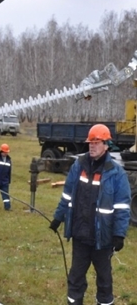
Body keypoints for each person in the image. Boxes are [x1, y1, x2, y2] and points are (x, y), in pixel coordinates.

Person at [49, 124, 131, 305]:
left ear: (106, 144)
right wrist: (58, 216)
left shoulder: (116, 174)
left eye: (97, 142)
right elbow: (67, 194)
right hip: (80, 235)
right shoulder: (78, 166)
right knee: (75, 278)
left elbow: (122, 207)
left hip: (103, 239)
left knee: (104, 281)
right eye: (90, 142)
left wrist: (119, 234)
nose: (92, 146)